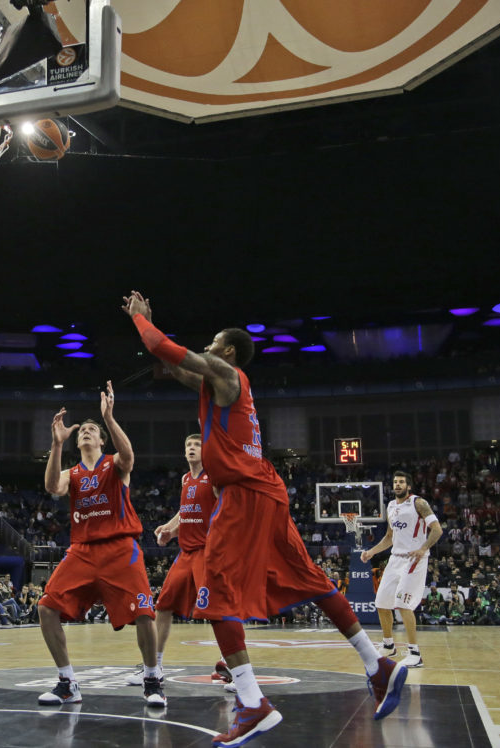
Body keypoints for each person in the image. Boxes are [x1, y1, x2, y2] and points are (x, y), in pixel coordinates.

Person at [124, 291, 407, 745]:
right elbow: (177, 367)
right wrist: (152, 329)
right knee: (311, 579)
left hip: (244, 495)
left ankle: (253, 704)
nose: (208, 348)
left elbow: (168, 350)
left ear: (228, 349)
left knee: (213, 594)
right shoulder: (216, 385)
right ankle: (379, 666)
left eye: (213, 343)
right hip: (266, 489)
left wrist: (141, 322)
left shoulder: (228, 372)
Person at [37, 381, 165, 708]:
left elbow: (129, 455)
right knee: (46, 608)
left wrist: (108, 417)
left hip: (120, 548)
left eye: (92, 430)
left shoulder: (113, 465)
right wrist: (55, 444)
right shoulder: (73, 472)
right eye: (84, 430)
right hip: (82, 551)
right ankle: (67, 682)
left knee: (145, 614)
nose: (86, 432)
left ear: (101, 439)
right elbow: (53, 486)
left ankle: (152, 678)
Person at [125, 435, 233, 691]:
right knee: (163, 606)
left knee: (217, 610)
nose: (192, 449)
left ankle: (234, 666)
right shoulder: (186, 479)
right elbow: (187, 512)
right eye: (188, 446)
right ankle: (155, 667)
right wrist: (170, 530)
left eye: (196, 445)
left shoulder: (215, 477)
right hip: (187, 553)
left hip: (209, 552)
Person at [361, 471, 443, 667]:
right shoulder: (390, 506)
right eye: (395, 482)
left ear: (409, 486)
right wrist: (372, 551)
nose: (397, 485)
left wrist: (423, 548)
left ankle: (415, 653)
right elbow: (389, 537)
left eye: (401, 482)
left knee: (403, 605)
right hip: (395, 559)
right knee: (381, 602)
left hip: (414, 559)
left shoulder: (419, 503)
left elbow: (438, 530)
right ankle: (389, 645)